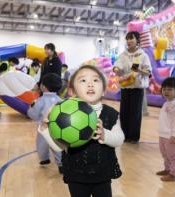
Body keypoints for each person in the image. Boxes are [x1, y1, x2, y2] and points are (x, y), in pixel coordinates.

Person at [40, 65, 124, 197]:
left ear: (103, 90)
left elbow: (119, 139)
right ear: (72, 92)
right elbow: (59, 147)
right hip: (76, 175)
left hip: (102, 174)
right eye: (83, 80)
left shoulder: (111, 114)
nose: (90, 84)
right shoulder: (63, 115)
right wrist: (45, 130)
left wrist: (104, 135)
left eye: (96, 80)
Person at [113, 31, 152, 143]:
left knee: (135, 113)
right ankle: (124, 136)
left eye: (132, 38)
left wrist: (138, 70)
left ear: (137, 40)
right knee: (124, 112)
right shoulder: (123, 55)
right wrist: (116, 69)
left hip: (137, 88)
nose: (129, 41)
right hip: (125, 88)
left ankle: (134, 137)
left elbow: (148, 72)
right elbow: (117, 67)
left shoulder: (143, 55)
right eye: (128, 39)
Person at [27, 73, 63, 173]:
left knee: (41, 145)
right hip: (58, 128)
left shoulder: (40, 100)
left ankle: (44, 159)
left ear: (43, 86)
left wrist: (30, 108)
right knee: (57, 146)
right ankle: (61, 164)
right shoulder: (60, 100)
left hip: (44, 128)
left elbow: (33, 115)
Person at [156, 77, 175, 182]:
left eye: (170, 89)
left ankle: (173, 174)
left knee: (173, 156)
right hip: (163, 135)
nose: (166, 91)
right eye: (164, 89)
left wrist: (174, 135)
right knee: (165, 154)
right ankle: (167, 169)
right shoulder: (166, 103)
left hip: (171, 136)